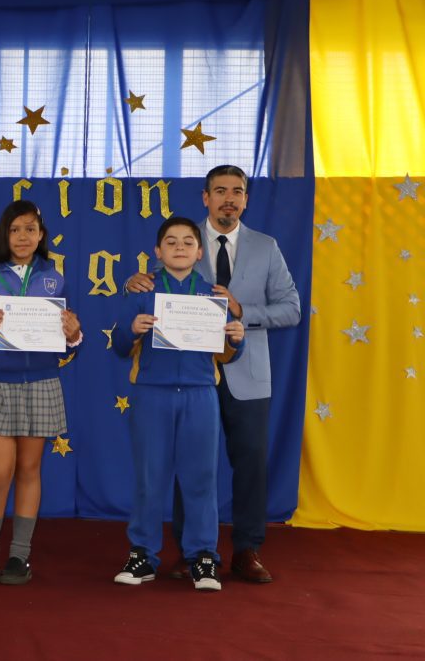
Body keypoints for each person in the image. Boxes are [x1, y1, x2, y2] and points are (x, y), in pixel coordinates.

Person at [126, 165, 300, 583]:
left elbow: (291, 308)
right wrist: (136, 283)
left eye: (237, 191)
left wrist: (242, 311)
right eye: (220, 191)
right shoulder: (183, 241)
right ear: (205, 197)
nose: (229, 199)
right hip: (188, 375)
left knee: (250, 461)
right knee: (188, 464)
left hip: (246, 372)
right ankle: (192, 552)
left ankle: (247, 549)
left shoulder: (266, 247)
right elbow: (153, 296)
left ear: (246, 199)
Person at [112, 217, 246, 592]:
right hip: (151, 394)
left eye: (188, 242)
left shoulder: (213, 296)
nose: (180, 247)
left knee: (201, 478)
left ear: (200, 251)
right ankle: (142, 554)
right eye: (171, 242)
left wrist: (236, 338)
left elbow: (228, 354)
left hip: (200, 395)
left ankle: (203, 556)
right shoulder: (142, 291)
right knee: (149, 478)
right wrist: (131, 330)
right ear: (158, 251)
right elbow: (120, 346)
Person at [0, 200, 82, 585]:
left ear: (41, 235)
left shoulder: (54, 278)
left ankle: (19, 556)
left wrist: (74, 333)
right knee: (0, 470)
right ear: (4, 235)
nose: (23, 237)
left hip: (41, 382)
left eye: (30, 229)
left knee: (29, 469)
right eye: (15, 230)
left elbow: (67, 342)